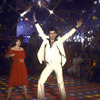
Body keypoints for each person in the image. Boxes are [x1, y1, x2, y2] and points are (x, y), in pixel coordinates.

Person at [33, 12, 83, 100]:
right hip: (48, 65)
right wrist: (36, 22)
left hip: (57, 65)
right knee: (40, 81)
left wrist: (76, 27)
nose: (52, 35)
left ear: (56, 34)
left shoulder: (59, 40)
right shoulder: (46, 39)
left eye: (53, 33)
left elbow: (68, 35)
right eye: (50, 33)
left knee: (60, 82)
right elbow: (40, 32)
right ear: (49, 34)